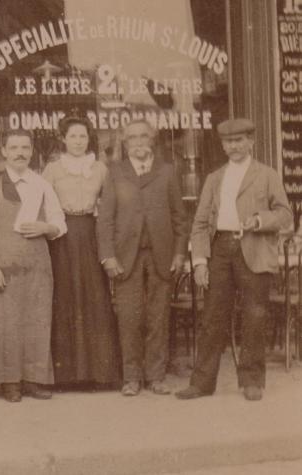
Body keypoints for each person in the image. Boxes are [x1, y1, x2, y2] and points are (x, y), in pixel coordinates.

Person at [176, 118, 292, 402]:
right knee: (212, 318)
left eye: (239, 140)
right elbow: (200, 223)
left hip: (254, 250)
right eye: (229, 142)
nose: (234, 146)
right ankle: (202, 383)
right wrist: (200, 261)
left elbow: (285, 215)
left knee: (254, 316)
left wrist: (259, 220)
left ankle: (252, 381)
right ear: (223, 145)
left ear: (251, 142)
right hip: (220, 249)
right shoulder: (214, 178)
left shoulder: (267, 175)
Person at [0, 129, 65, 403]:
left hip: (38, 266)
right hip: (5, 267)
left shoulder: (41, 184)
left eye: (25, 148)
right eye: (14, 148)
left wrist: (45, 227)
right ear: (4, 152)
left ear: (32, 152)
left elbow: (59, 222)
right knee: (6, 324)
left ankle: (33, 379)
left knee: (38, 320)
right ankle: (9, 381)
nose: (20, 153)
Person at [96, 119, 189, 397]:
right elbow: (105, 220)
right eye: (132, 138)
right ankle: (132, 378)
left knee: (158, 317)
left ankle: (156, 376)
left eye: (143, 137)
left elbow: (180, 218)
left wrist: (179, 253)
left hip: (161, 255)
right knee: (129, 317)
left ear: (152, 140)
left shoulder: (167, 171)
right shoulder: (115, 172)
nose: (138, 142)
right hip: (126, 256)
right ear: (125, 144)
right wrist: (108, 256)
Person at [43, 117, 121, 387]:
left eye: (83, 136)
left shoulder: (100, 168)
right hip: (61, 236)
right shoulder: (52, 169)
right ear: (63, 139)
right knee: (65, 295)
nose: (78, 141)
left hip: (90, 233)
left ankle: (98, 373)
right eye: (73, 136)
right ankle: (65, 376)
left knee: (94, 296)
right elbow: (43, 205)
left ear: (89, 139)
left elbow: (109, 205)